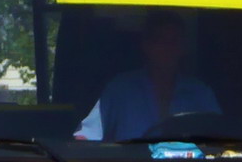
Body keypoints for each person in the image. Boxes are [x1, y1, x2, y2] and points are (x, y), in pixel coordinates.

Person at [75, 11, 219, 142]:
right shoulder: (120, 89)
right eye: (160, 40)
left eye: (173, 41)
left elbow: (220, 142)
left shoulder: (200, 93)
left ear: (183, 47)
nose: (167, 48)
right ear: (146, 45)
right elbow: (87, 137)